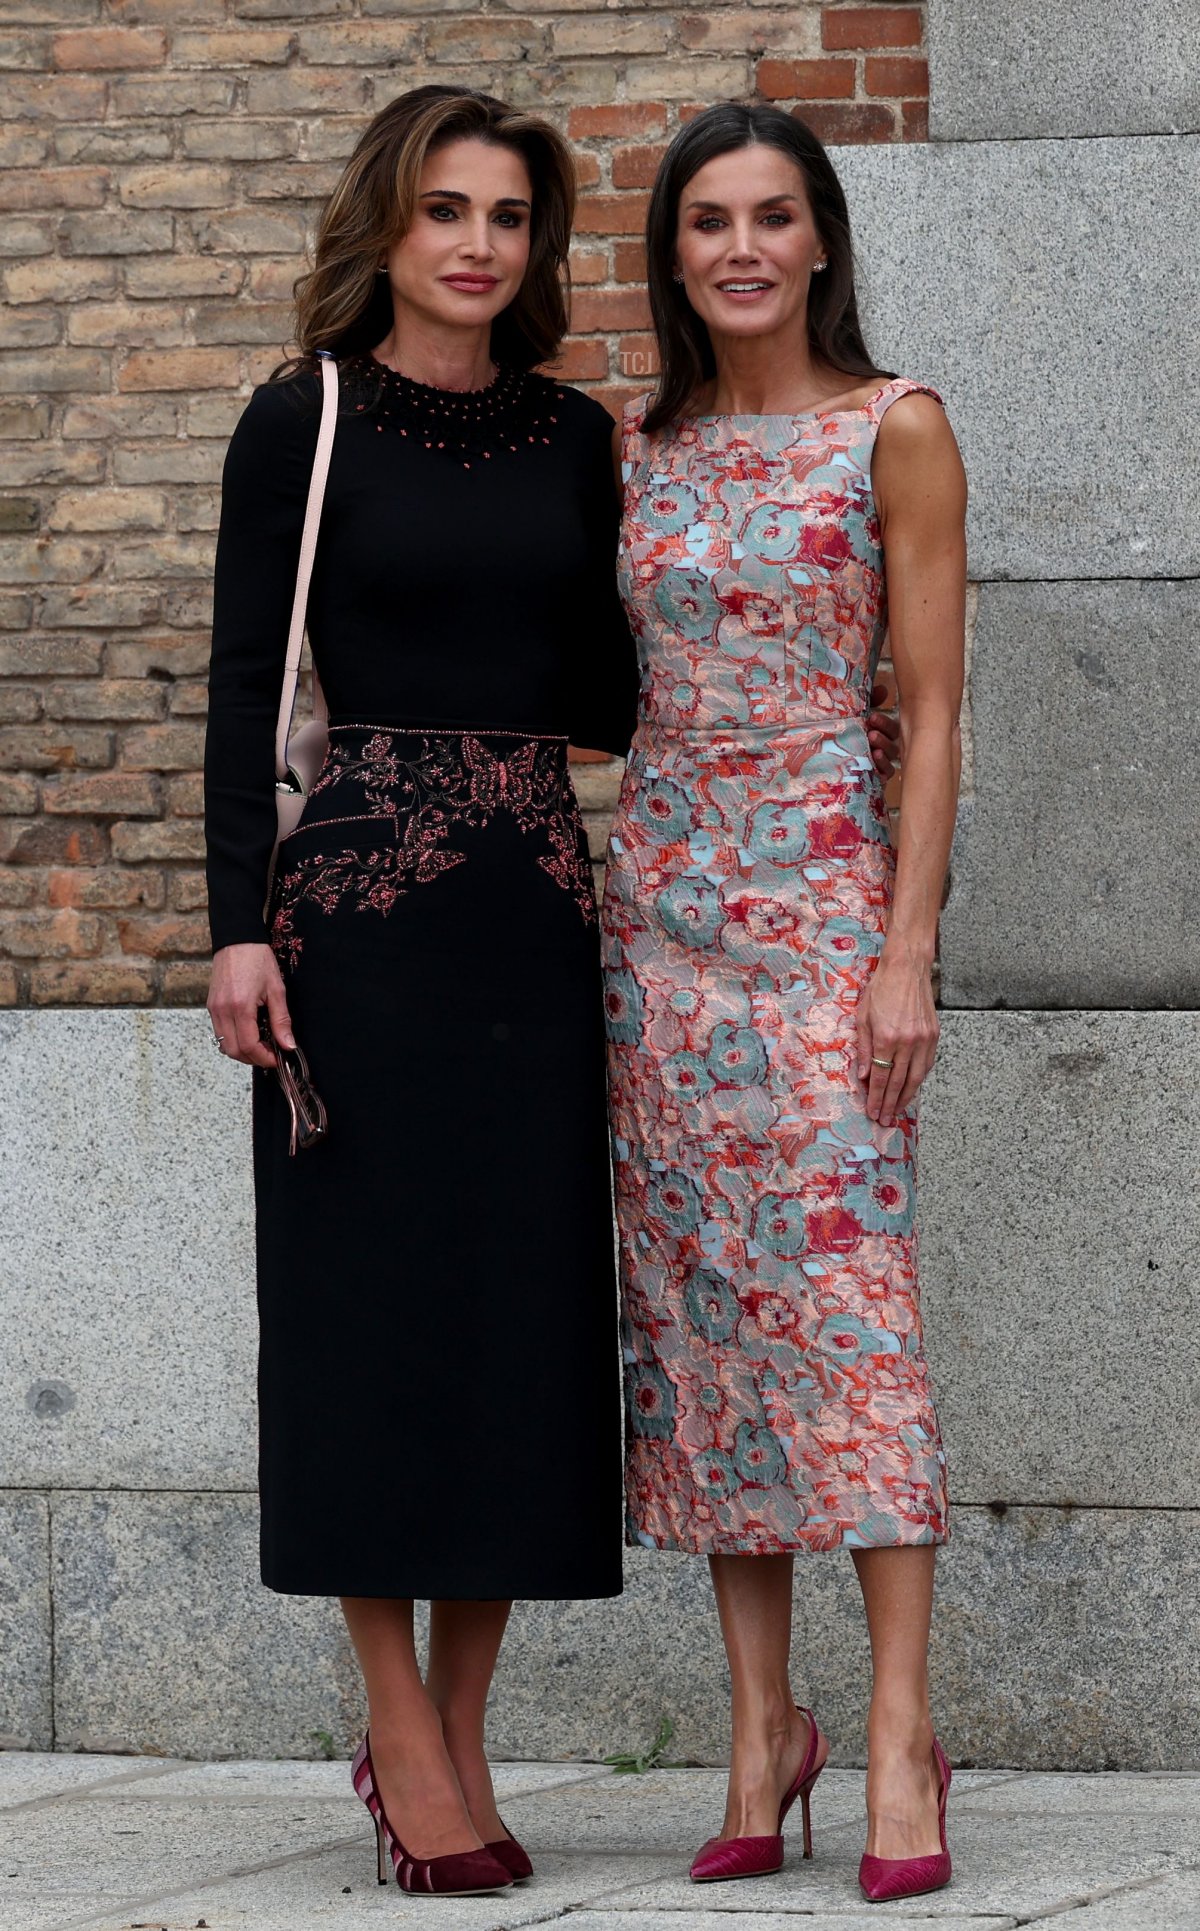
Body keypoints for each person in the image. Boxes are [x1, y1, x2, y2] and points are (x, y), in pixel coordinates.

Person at [203, 85, 639, 1899]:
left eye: (512, 217)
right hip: (353, 936)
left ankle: (466, 1718)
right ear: (388, 224)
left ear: (537, 248)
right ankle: (398, 1724)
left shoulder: (575, 434)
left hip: (536, 917)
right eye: (447, 208)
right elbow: (240, 687)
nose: (478, 243)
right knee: (370, 1325)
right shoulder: (297, 418)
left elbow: (614, 697)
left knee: (519, 1332)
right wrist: (236, 928)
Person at [603, 102, 966, 1905]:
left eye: (772, 218)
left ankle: (901, 1736)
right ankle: (764, 1730)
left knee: (851, 1322)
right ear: (672, 256)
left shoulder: (892, 430)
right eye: (706, 224)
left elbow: (937, 715)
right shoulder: (637, 453)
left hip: (826, 922)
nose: (740, 248)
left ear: (821, 238)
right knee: (709, 1339)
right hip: (658, 939)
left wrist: (906, 950)